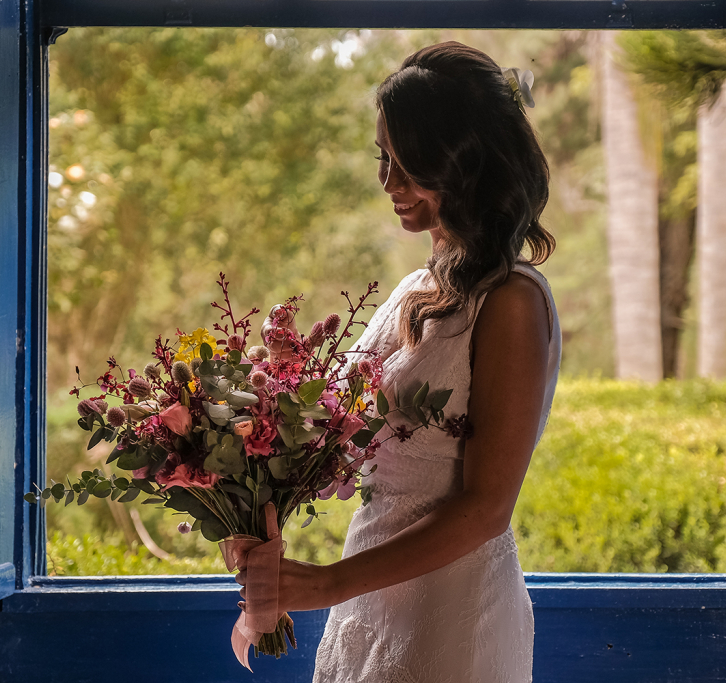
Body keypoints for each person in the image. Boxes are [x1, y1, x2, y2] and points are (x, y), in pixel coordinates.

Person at [252, 41, 562, 682]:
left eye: (410, 164)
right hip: (373, 593)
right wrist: (248, 494)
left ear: (469, 164)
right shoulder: (415, 290)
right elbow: (339, 433)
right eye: (384, 159)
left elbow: (485, 509)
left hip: (452, 609)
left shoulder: (510, 301)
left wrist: (330, 583)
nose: (388, 183)